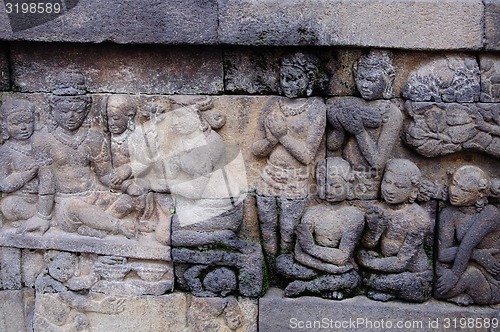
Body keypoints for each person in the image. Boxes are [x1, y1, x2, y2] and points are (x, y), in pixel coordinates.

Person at [18, 70, 134, 238]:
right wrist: (43, 217)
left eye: (78, 111)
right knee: (76, 207)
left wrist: (127, 186)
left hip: (94, 196)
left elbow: (105, 176)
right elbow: (46, 182)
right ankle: (117, 226)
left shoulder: (94, 138)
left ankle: (92, 227)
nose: (71, 116)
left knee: (130, 201)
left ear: (86, 110)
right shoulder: (43, 140)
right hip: (65, 202)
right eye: (64, 111)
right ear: (53, 109)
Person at [252, 52, 326, 267]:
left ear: (309, 80)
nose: (286, 84)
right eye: (284, 77)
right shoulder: (273, 104)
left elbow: (306, 155)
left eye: (294, 79)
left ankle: (286, 268)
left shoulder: (316, 108)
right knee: (266, 226)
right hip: (269, 176)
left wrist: (283, 135)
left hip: (296, 179)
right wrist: (272, 139)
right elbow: (257, 149)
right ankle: (269, 270)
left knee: (288, 229)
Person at [276, 157, 364, 299]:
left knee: (351, 279)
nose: (328, 190)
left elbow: (342, 257)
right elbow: (298, 253)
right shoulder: (312, 212)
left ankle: (306, 287)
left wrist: (311, 248)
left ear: (349, 186)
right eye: (323, 185)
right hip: (325, 268)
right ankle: (325, 286)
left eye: (335, 186)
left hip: (339, 268)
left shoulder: (354, 216)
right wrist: (327, 268)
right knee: (282, 263)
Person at [327, 50, 402, 199]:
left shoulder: (391, 113)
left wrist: (359, 132)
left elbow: (378, 162)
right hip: (341, 178)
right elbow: (332, 146)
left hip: (370, 183)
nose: (365, 85)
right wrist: (339, 126)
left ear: (389, 80)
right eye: (361, 78)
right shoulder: (350, 103)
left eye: (372, 80)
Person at [357, 159, 432, 302]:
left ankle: (387, 290)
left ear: (413, 191)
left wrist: (367, 262)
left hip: (413, 275)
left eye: (399, 186)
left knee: (373, 280)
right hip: (385, 264)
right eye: (387, 182)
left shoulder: (419, 219)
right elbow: (369, 244)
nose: (390, 190)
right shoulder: (379, 208)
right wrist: (373, 230)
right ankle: (384, 289)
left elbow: (402, 262)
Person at [435, 165, 499, 305]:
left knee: (464, 279)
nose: (454, 192)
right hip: (465, 266)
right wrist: (477, 255)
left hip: (490, 281)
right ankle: (462, 294)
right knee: (439, 281)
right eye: (454, 184)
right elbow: (443, 254)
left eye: (463, 190)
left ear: (480, 194)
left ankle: (466, 295)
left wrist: (454, 274)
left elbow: (467, 245)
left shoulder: (490, 214)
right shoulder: (449, 214)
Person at [33, 250, 125, 332]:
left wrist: (96, 268)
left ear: (75, 267)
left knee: (82, 320)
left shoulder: (61, 280)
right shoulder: (45, 281)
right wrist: (99, 307)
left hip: (63, 319)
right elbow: (73, 300)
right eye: (58, 268)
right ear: (49, 265)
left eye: (67, 269)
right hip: (46, 325)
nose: (62, 273)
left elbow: (82, 283)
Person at [0, 99, 38, 223]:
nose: (23, 127)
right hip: (22, 197)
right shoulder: (6, 151)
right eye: (16, 124)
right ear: (4, 125)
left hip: (45, 195)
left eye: (28, 122)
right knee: (8, 205)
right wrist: (27, 175)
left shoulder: (41, 144)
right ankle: (39, 215)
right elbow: (4, 184)